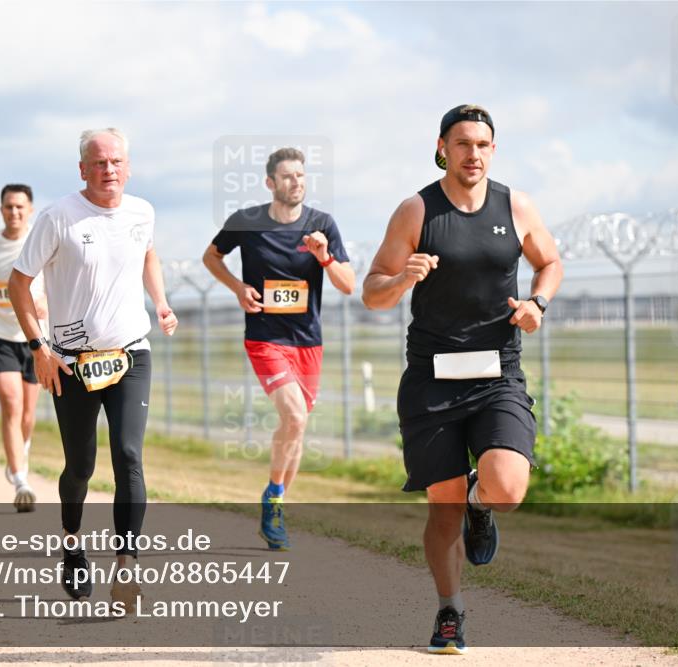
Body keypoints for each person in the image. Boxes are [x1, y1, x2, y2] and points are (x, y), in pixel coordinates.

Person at [362, 104, 563, 654]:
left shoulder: (515, 205)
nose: (472, 154)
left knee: (509, 487)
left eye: (482, 145)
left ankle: (483, 502)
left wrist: (537, 302)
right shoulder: (416, 210)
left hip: (498, 373)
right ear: (442, 147)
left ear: (492, 150)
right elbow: (372, 292)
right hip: (432, 379)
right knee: (441, 507)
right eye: (462, 144)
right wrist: (402, 277)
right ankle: (450, 612)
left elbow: (550, 261)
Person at [9, 127, 177, 607]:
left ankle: (127, 564)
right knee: (80, 466)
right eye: (99, 163)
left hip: (130, 353)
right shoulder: (57, 217)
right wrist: (39, 349)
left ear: (128, 165)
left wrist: (160, 302)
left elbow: (147, 253)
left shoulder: (141, 211)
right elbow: (19, 283)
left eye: (117, 162)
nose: (109, 171)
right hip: (71, 362)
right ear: (82, 169)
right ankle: (71, 541)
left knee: (128, 455)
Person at [202, 147, 354, 550]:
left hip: (308, 341)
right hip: (265, 336)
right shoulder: (247, 222)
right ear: (270, 183)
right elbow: (211, 256)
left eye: (301, 176)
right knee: (295, 417)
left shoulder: (322, 224)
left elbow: (348, 283)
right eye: (287, 177)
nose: (296, 183)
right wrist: (237, 287)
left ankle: (278, 500)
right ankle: (272, 495)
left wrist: (324, 257)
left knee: (296, 427)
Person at [0, 184, 47, 512]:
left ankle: (22, 450)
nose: (14, 212)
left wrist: (46, 301)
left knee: (28, 414)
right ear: (1, 209)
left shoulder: (41, 239)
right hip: (0, 336)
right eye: (8, 207)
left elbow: (55, 280)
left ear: (30, 209)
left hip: (34, 337)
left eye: (20, 207)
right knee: (11, 403)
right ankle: (20, 480)